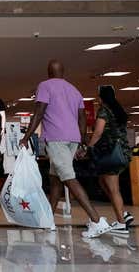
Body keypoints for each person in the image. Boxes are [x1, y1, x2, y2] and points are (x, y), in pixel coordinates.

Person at [20, 59, 111, 238]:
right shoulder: (74, 90)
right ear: (63, 72)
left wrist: (26, 136)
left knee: (68, 178)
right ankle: (48, 220)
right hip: (72, 139)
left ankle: (96, 220)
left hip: (56, 138)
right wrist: (82, 140)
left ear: (48, 72)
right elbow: (82, 117)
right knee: (55, 179)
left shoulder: (45, 86)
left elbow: (39, 112)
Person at [86, 85, 134, 234]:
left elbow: (98, 131)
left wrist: (89, 146)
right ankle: (123, 213)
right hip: (122, 153)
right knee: (103, 182)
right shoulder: (118, 110)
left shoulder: (104, 111)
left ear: (101, 97)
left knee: (113, 189)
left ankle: (121, 223)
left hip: (112, 154)